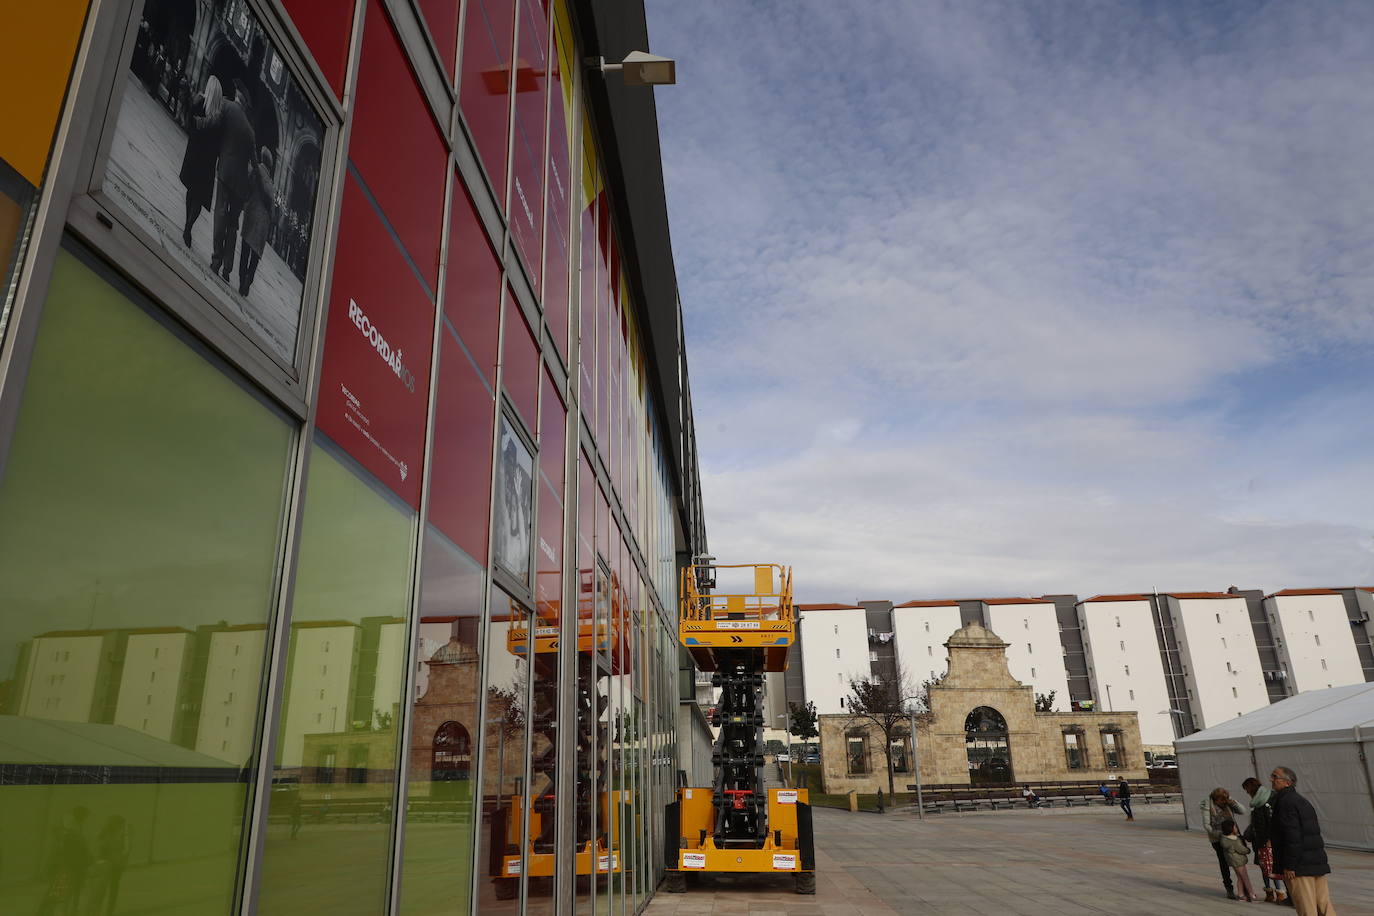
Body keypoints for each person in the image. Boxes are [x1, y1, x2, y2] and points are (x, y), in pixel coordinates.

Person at [206, 80, 257, 282]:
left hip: (226, 173)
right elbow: (254, 163)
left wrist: (198, 123)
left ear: (237, 95)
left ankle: (216, 259)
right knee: (233, 224)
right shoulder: (251, 131)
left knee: (220, 212)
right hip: (241, 184)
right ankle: (227, 268)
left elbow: (214, 123)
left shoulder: (227, 107)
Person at [1270, 766, 1335, 916]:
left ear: (1287, 782)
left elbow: (1292, 836)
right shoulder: (1301, 801)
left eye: (1275, 777)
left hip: (1300, 866)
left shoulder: (1285, 802)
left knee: (1307, 907)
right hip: (1315, 862)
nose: (1271, 780)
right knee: (1323, 905)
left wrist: (1290, 865)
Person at [180, 74, 223, 248]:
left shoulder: (199, 103)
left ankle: (187, 224)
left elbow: (189, 122)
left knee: (191, 191)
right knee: (199, 196)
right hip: (208, 161)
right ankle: (188, 226)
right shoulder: (219, 116)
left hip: (194, 153)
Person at [238, 147, 275, 296]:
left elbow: (246, 181)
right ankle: (248, 282)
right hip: (263, 225)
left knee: (245, 251)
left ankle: (242, 282)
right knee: (254, 258)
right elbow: (272, 211)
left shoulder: (257, 170)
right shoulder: (271, 184)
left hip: (252, 216)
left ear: (262, 158)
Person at [1242, 776, 1283, 903]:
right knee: (1264, 867)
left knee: (1271, 867)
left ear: (1251, 788)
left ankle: (1279, 893)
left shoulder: (1265, 801)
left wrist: (1268, 839)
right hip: (1259, 841)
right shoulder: (1258, 802)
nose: (1246, 792)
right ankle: (1270, 893)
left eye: (1246, 789)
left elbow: (1269, 822)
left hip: (1267, 842)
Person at [1202, 786, 1245, 900]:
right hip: (1218, 839)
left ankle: (1244, 887)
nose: (1223, 803)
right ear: (1215, 799)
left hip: (1234, 837)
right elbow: (1207, 825)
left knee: (1239, 863)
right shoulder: (1208, 805)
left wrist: (1233, 803)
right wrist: (1220, 834)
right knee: (1224, 863)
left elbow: (1242, 811)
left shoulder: (1228, 802)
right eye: (1221, 801)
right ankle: (1229, 888)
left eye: (1224, 800)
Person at [84, 814, 129, 916]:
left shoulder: (114, 834)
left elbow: (124, 850)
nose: (122, 827)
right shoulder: (108, 835)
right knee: (103, 891)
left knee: (105, 891)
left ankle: (104, 911)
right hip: (107, 867)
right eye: (121, 824)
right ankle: (104, 911)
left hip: (111, 866)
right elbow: (123, 851)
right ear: (116, 824)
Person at [1219, 818, 1258, 902]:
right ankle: (1251, 894)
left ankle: (1241, 895)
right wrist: (1248, 850)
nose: (1236, 829)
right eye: (1235, 827)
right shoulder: (1234, 840)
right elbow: (1241, 849)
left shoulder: (1224, 839)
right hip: (1238, 861)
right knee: (1245, 877)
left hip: (1233, 861)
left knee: (1240, 878)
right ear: (1231, 829)